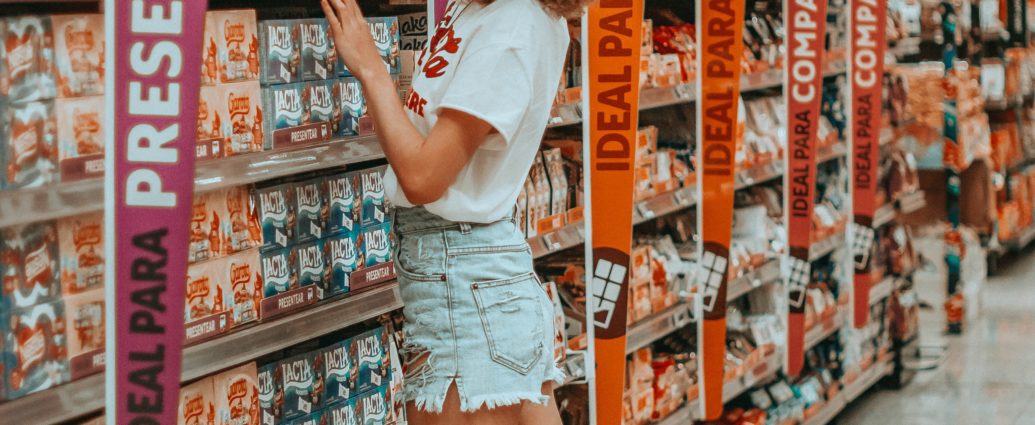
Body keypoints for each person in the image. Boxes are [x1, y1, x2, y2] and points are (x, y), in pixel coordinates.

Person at [320, 0, 585, 423]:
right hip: (461, 275)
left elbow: (424, 178)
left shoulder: (511, 27)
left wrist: (370, 66)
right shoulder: (484, 10)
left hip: (466, 287)